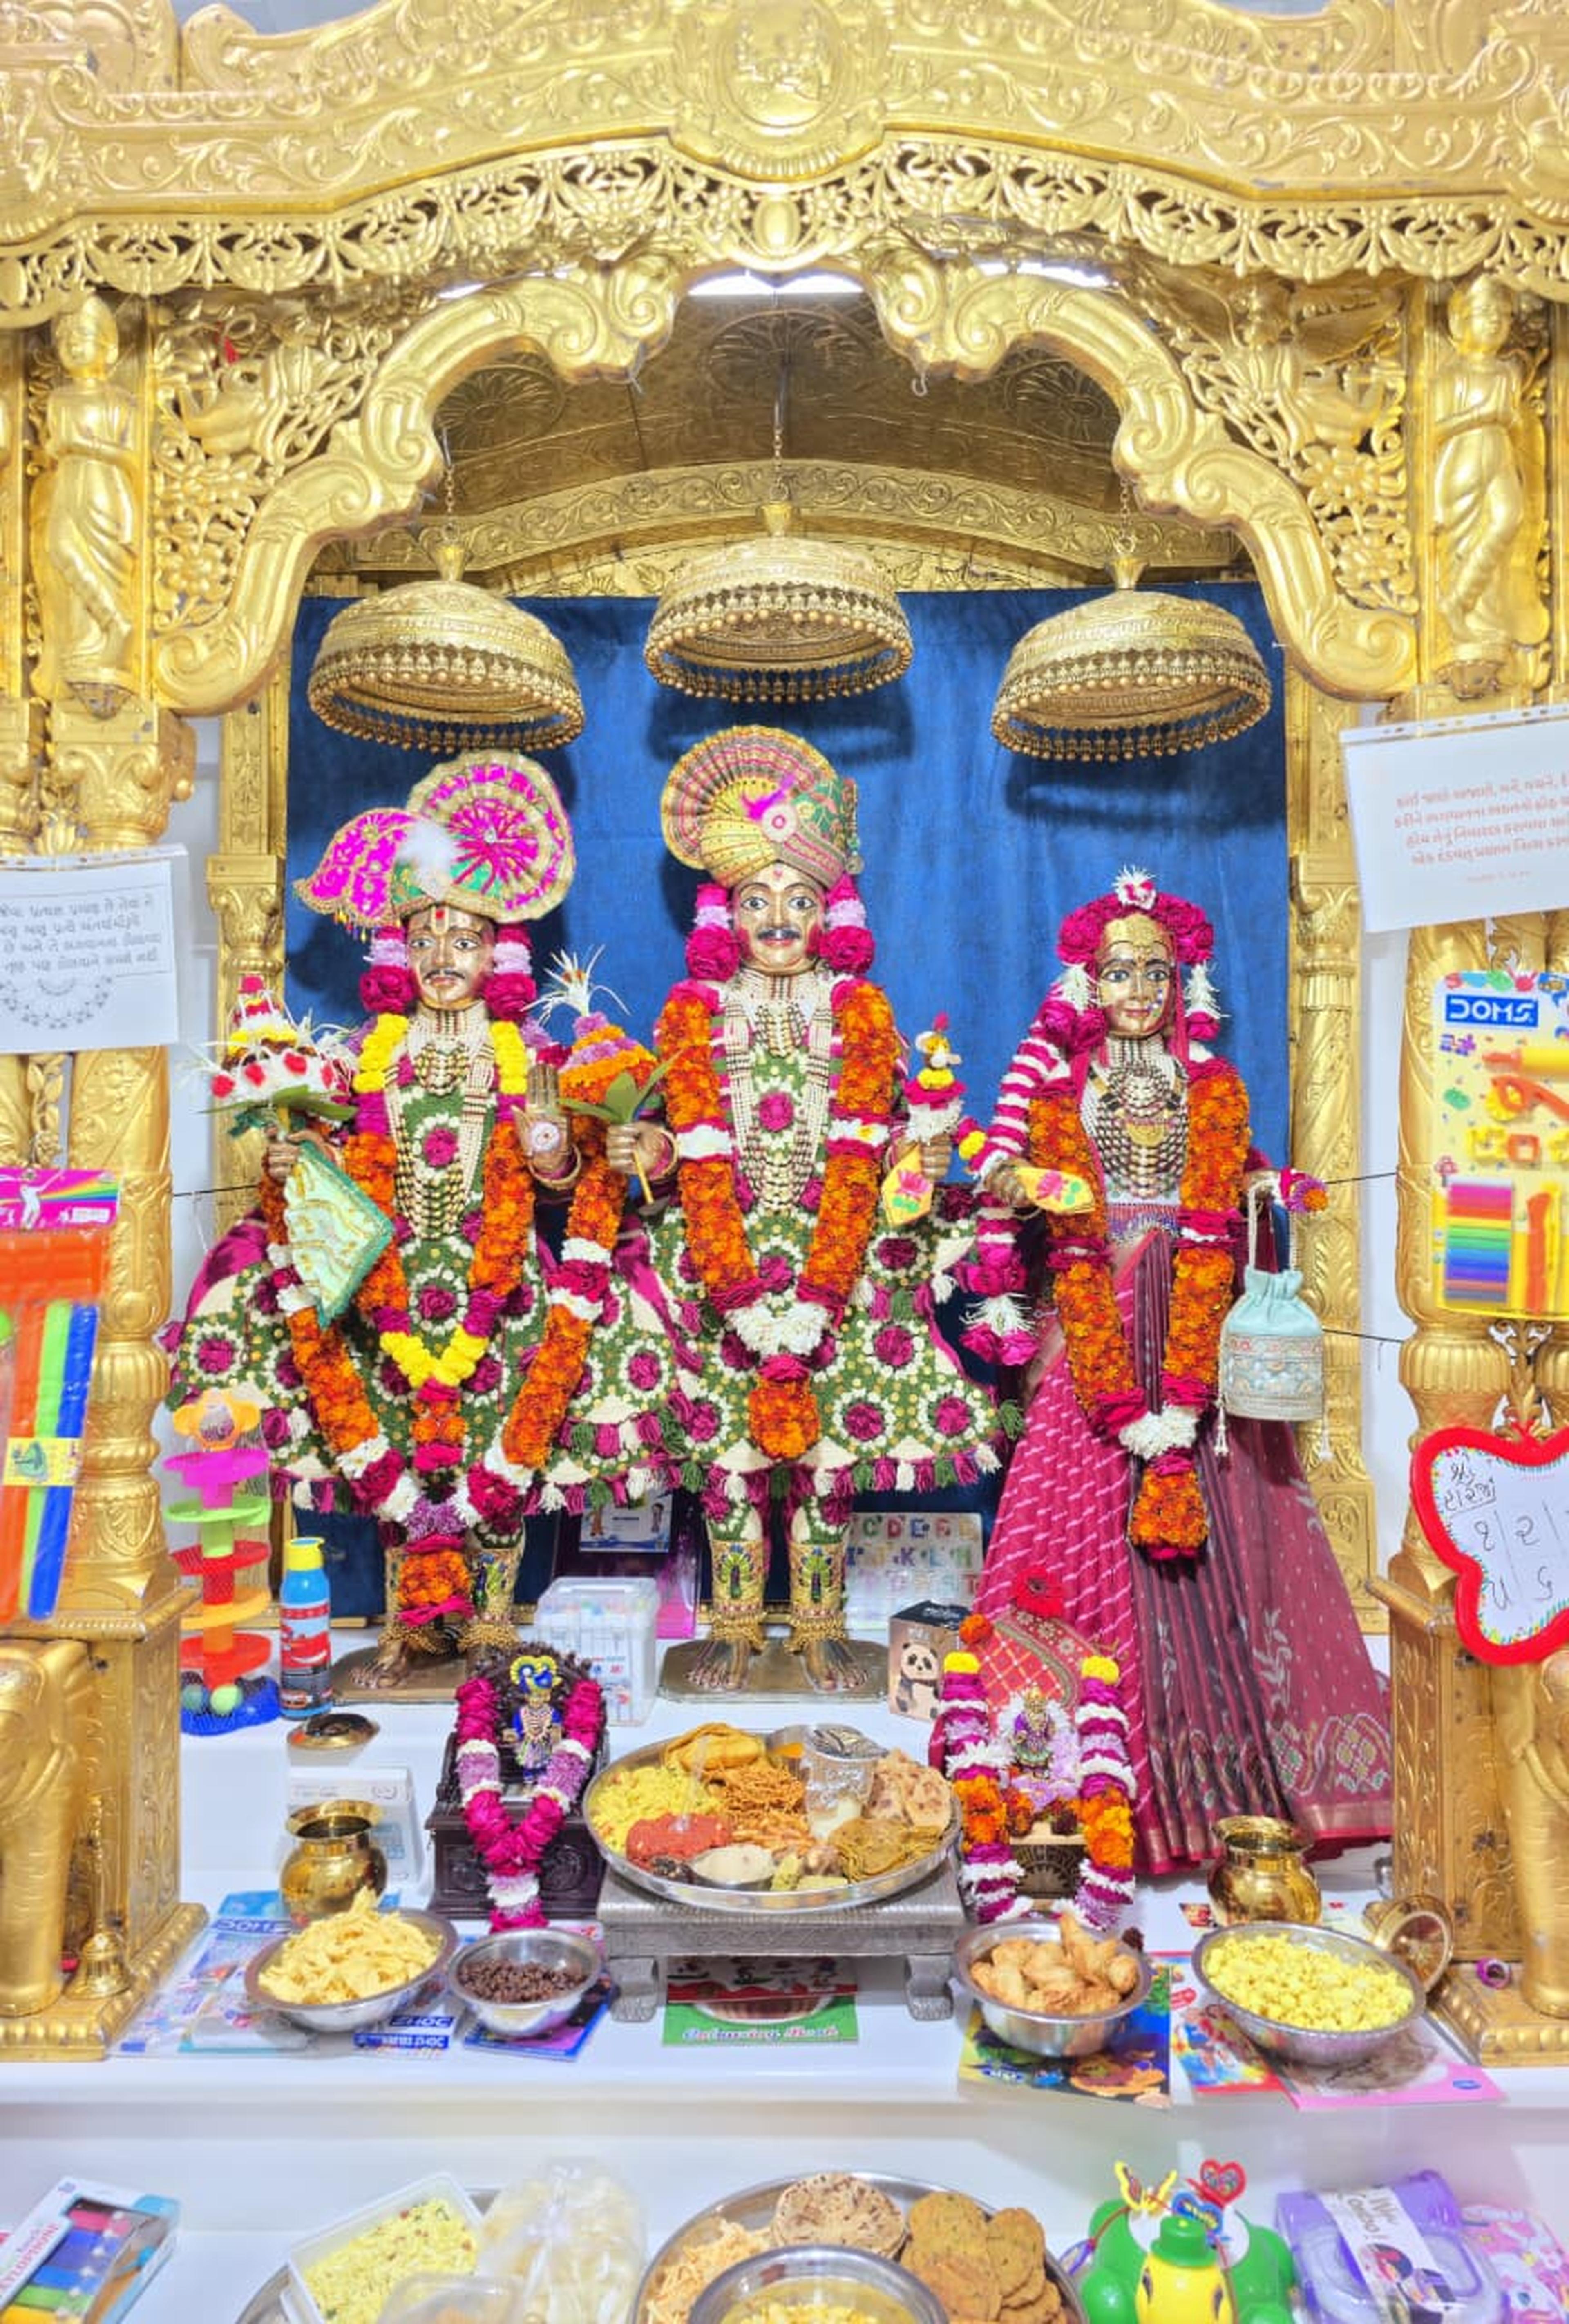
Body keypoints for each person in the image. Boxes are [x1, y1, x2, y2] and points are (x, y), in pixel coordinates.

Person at [165, 754, 682, 1684]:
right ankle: (411, 1625)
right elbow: (327, 1173)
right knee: (397, 1453)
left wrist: (552, 1154)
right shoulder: (366, 1055)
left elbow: (573, 1176)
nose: (445, 959)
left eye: (466, 941)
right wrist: (294, 1166)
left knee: (503, 1447)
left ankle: (491, 1625)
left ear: (498, 954)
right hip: (387, 1285)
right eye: (426, 941)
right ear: (398, 953)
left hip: (500, 1285)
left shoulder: (533, 1054)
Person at [970, 866, 1392, 1872]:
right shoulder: (1059, 1082)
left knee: (1235, 1508)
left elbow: (1232, 1171)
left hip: (1193, 1313)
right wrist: (1029, 1179)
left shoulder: (1209, 1085)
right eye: (1118, 972)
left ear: (1180, 984)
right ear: (1088, 980)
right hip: (1095, 1312)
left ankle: (1226, 1787)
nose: (1136, 990)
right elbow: (996, 1172)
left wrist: (1274, 1184)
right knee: (1071, 1508)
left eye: (1154, 972)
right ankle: (1063, 1783)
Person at [607, 725, 1000, 1692]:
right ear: (726, 915)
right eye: (756, 899)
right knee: (730, 1460)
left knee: (827, 1460)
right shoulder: (695, 1015)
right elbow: (674, 1134)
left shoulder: (862, 1012)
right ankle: (736, 1628)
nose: (777, 918)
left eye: (797, 899)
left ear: (829, 913)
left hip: (843, 1261)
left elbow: (896, 1134)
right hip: (721, 1260)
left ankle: (820, 1627)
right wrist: (647, 1151)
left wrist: (924, 1151)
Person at [31, 293, 138, 712]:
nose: (74, 343)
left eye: (85, 335)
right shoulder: (58, 400)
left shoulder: (119, 402)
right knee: (58, 549)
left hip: (102, 487)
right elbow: (49, 448)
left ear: (108, 348)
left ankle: (117, 626)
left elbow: (133, 457)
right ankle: (101, 632)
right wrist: (59, 450)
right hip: (67, 485)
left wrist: (85, 446)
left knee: (98, 561)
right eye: (67, 337)